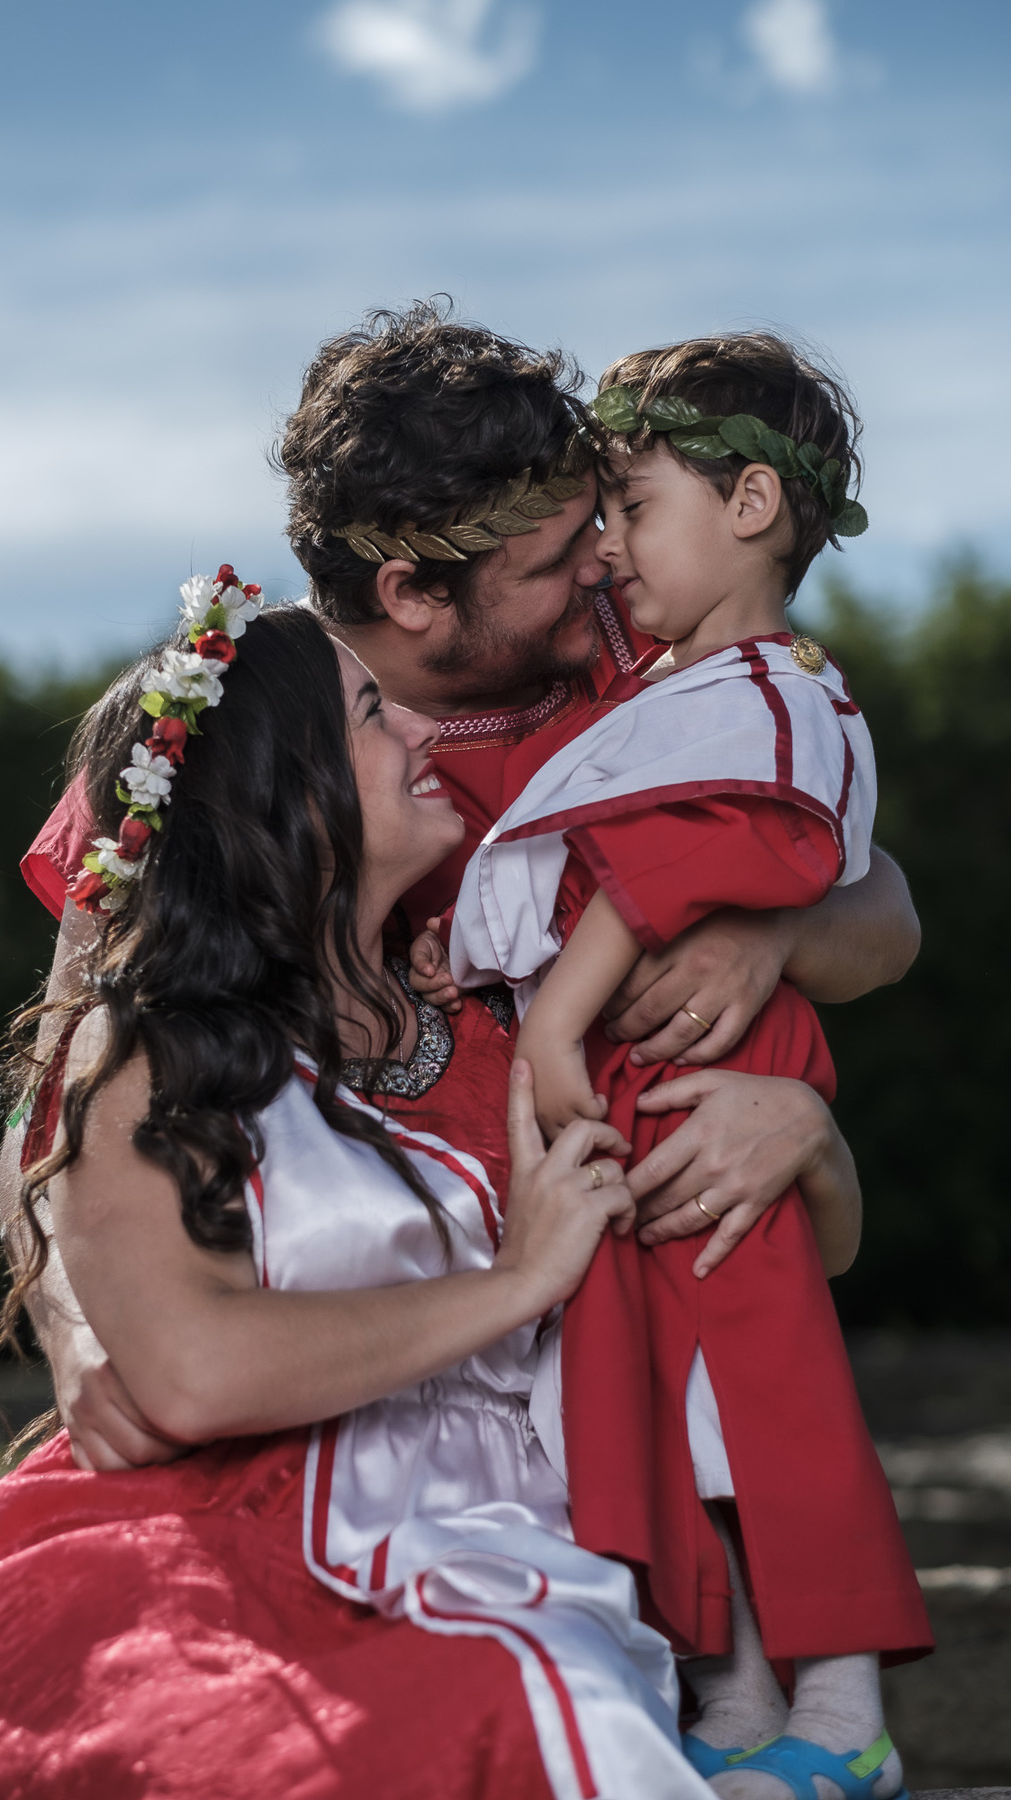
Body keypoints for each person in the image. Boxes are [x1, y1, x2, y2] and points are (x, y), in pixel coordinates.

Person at [0, 594, 867, 1798]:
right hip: (204, 1539)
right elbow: (187, 1367)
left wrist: (810, 1141)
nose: (424, 732)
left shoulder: (519, 1025)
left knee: (528, 1692)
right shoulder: (170, 1048)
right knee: (364, 1730)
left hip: (506, 1543)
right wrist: (514, 1283)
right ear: (290, 786)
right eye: (373, 714)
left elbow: (763, 1260)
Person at [12, 306, 919, 1484]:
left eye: (603, 519)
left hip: (621, 1269)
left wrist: (776, 926)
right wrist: (75, 1323)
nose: (602, 559)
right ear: (411, 593)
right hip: (355, 1309)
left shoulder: (644, 648)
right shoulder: (225, 727)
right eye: (553, 558)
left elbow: (883, 907)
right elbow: (66, 1066)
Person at [425, 334, 930, 1800]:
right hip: (610, 1107)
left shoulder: (764, 695)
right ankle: (738, 1695)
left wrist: (585, 1015)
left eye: (629, 509)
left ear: (755, 503)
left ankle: (844, 1721)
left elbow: (729, 867)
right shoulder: (651, 676)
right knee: (655, 1406)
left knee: (762, 1400)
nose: (604, 552)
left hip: (689, 1084)